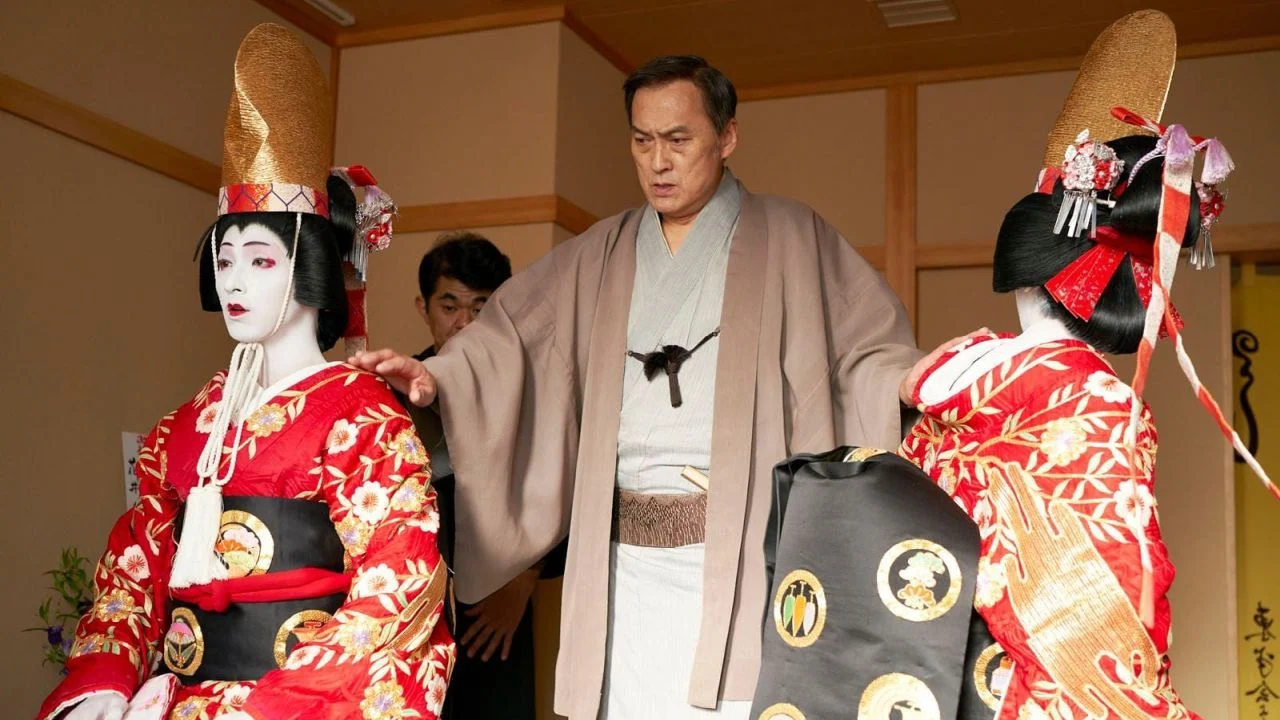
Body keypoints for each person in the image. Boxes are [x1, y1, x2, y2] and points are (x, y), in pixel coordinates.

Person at [353, 55, 953, 718]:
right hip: (618, 564)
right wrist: (437, 375)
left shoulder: (792, 237)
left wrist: (912, 380)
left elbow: (864, 355)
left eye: (678, 140)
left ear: (727, 137)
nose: (658, 162)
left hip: (739, 557)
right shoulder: (599, 254)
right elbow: (508, 343)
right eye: (642, 141)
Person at [37, 24, 454, 720]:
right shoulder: (190, 424)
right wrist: (106, 677)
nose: (235, 281)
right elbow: (136, 569)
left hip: (291, 701)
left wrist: (271, 706)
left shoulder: (363, 417)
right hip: (176, 699)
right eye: (225, 259)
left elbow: (396, 578)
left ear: (311, 268)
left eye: (261, 260)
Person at [897, 10, 1274, 718]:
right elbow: (1123, 582)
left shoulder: (957, 381)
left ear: (1027, 275)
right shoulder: (1103, 406)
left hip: (940, 677)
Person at [402, 232, 566, 719]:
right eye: (449, 305)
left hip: (496, 607)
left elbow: (563, 484)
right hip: (412, 600)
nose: (465, 323)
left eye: (481, 306)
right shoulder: (399, 388)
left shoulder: (533, 389)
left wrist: (524, 583)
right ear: (424, 308)